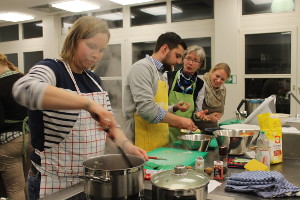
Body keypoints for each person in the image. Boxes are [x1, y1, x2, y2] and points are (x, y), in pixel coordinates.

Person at [12, 16, 148, 199]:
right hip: (54, 182)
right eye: (91, 46)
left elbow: (110, 125)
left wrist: (126, 145)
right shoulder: (53, 69)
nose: (96, 55)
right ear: (73, 40)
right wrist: (87, 103)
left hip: (90, 180)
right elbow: (23, 89)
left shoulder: (94, 81)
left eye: (101, 50)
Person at [123, 32, 198, 152]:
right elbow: (147, 109)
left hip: (158, 141)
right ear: (164, 49)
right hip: (139, 144)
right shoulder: (142, 68)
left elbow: (157, 106)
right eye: (177, 56)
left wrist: (173, 108)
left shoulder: (161, 73)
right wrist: (180, 121)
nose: (179, 62)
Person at [0, 53, 32, 199]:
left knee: (14, 189)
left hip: (10, 143)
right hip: (30, 138)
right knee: (25, 182)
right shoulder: (23, 78)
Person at [167, 45, 209, 143]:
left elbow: (196, 112)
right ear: (183, 59)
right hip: (166, 129)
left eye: (195, 60)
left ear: (200, 64)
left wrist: (198, 115)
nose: (190, 63)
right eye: (188, 58)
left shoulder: (200, 84)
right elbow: (160, 106)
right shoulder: (169, 77)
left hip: (185, 132)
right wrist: (175, 107)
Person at [195, 63, 231, 130]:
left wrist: (218, 115)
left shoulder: (223, 90)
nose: (218, 80)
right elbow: (192, 114)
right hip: (197, 130)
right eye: (217, 76)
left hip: (213, 129)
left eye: (222, 79)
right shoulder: (200, 84)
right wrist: (208, 117)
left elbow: (221, 110)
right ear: (212, 72)